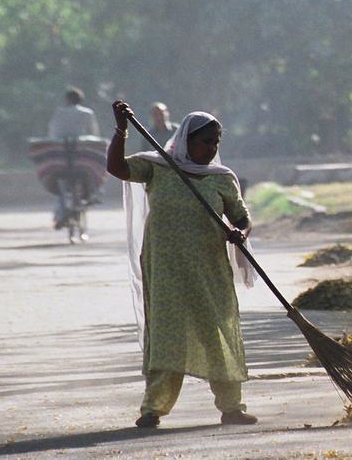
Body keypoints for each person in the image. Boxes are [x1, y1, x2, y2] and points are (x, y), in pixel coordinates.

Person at [106, 100, 258, 429]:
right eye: (205, 141)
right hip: (165, 270)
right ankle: (153, 409)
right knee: (167, 336)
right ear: (187, 140)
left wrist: (240, 233)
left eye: (216, 142)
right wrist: (121, 130)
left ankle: (232, 407)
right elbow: (117, 168)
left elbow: (242, 218)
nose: (211, 148)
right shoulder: (158, 168)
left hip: (209, 270)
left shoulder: (221, 179)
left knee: (217, 335)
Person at [48, 87, 100, 228]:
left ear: (66, 100)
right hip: (82, 158)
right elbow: (94, 135)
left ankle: (60, 214)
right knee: (93, 170)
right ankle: (94, 194)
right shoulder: (87, 113)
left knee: (60, 184)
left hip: (62, 158)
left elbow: (52, 133)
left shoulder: (59, 113)